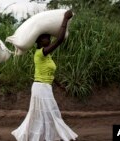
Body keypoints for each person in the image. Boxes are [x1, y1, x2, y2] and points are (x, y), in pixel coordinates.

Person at [11, 10, 78, 141]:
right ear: (39, 41)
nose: (49, 39)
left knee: (43, 114)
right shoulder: (40, 53)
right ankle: (55, 137)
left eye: (48, 37)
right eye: (45, 37)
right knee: (52, 113)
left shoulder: (47, 55)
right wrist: (64, 19)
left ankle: (38, 136)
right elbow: (59, 40)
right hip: (40, 88)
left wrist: (59, 85)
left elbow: (49, 73)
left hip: (44, 87)